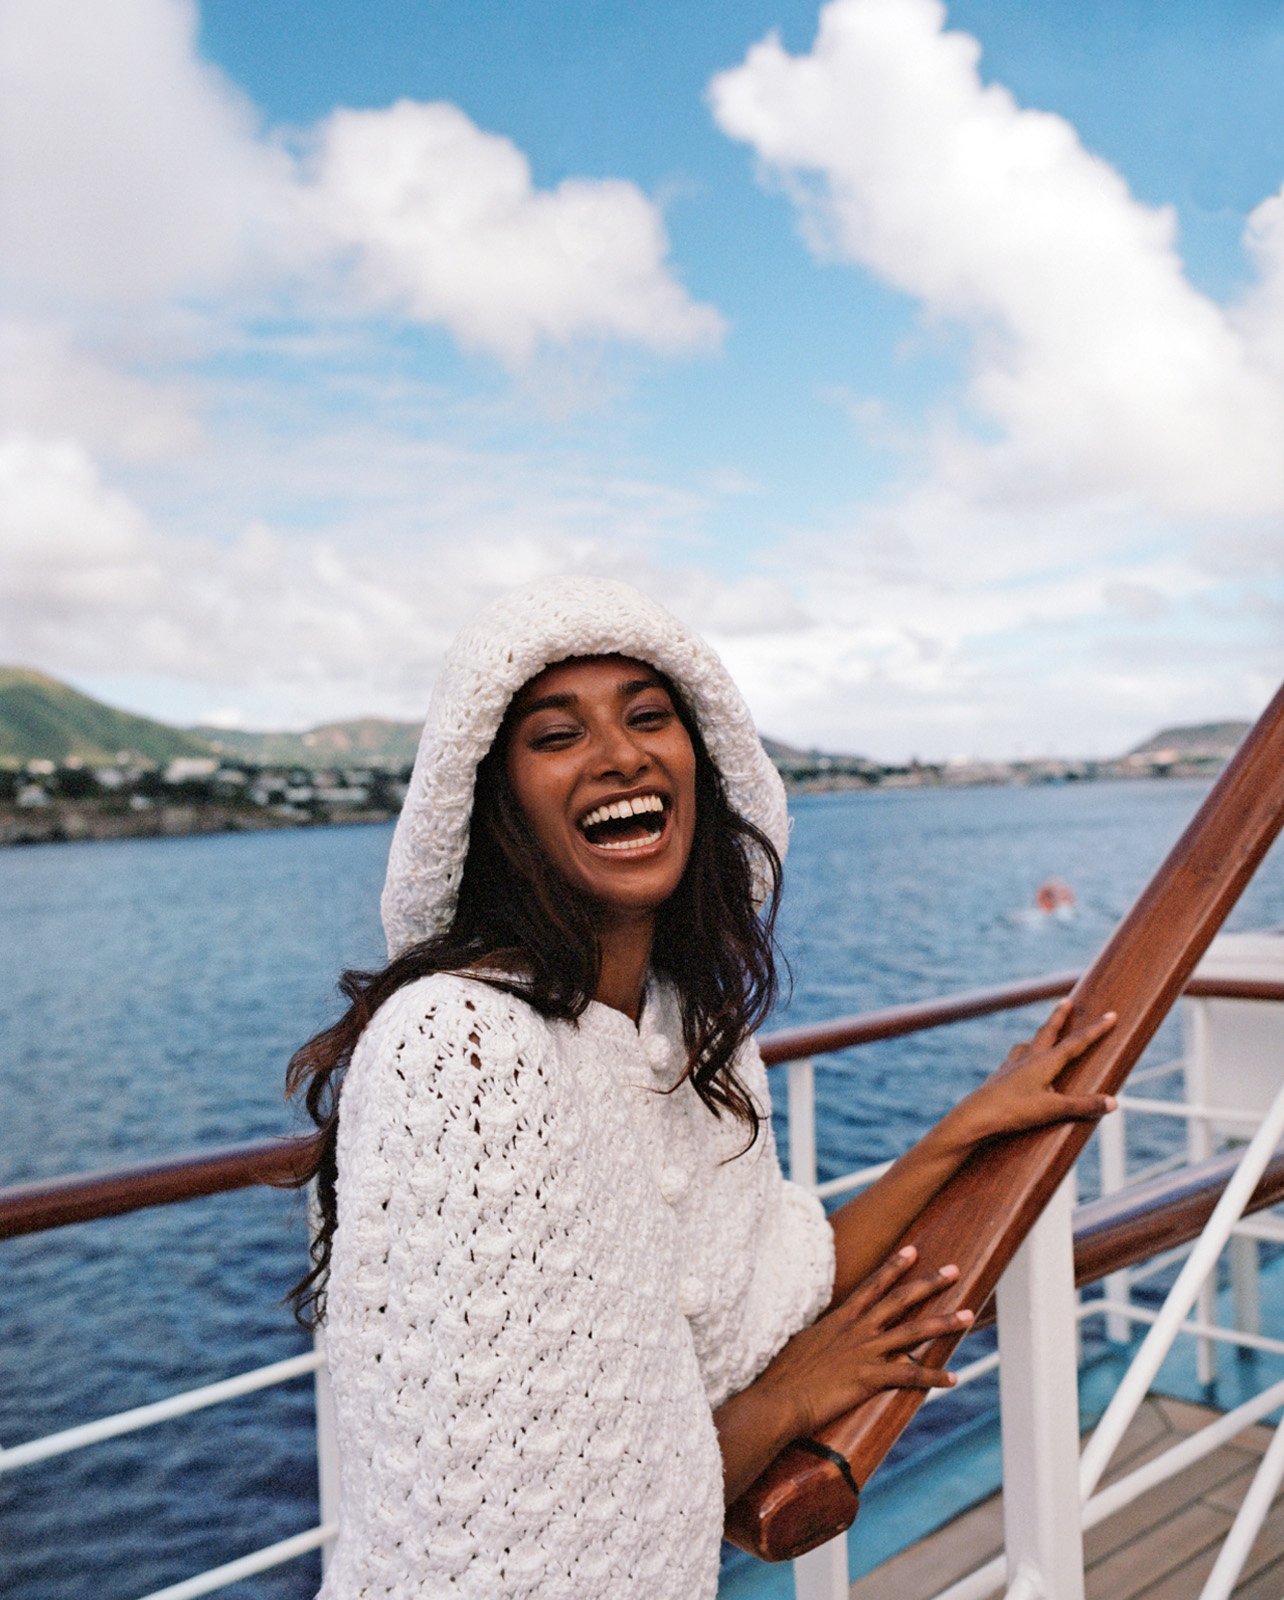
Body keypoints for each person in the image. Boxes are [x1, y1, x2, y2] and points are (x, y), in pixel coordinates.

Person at [285, 575, 1115, 1599]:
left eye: (648, 716)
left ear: (705, 759)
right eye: (556, 735)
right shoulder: (460, 1043)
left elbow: (773, 1276)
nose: (621, 754)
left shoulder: (686, 1029)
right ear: (496, 806)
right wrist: (787, 1404)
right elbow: (540, 1537)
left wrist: (965, 1131)